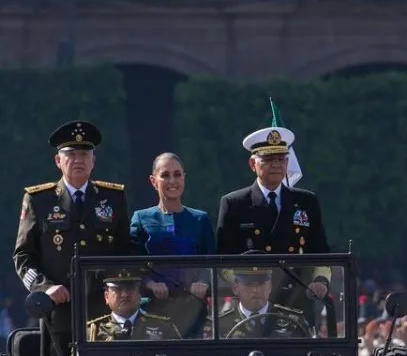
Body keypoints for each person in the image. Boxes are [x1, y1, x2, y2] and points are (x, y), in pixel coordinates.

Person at [13, 120, 131, 355]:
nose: (79, 160)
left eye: (85, 154)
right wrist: (44, 288)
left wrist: (123, 289)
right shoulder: (39, 200)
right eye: (71, 154)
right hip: (59, 312)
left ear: (93, 161)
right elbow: (23, 256)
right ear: (58, 161)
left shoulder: (113, 198)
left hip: (104, 311)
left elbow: (126, 251)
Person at [214, 127, 331, 314]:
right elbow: (223, 258)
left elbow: (321, 252)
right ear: (253, 164)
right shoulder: (234, 203)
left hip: (297, 299)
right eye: (268, 159)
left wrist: (320, 281)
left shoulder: (306, 202)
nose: (276, 164)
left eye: (281, 159)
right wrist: (242, 284)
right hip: (254, 302)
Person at [131, 152, 215, 335]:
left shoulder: (200, 219)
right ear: (154, 181)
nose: (172, 181)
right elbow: (133, 263)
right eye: (165, 175)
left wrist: (202, 281)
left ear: (184, 178)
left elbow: (212, 262)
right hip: (153, 310)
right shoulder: (141, 218)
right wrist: (150, 283)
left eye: (177, 174)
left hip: (192, 309)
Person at [85, 269, 180, 342]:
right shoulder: (93, 331)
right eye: (118, 289)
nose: (125, 294)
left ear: (139, 294)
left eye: (130, 288)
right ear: (106, 296)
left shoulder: (163, 327)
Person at [216, 267, 310, 339]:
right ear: (235, 288)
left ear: (270, 287)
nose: (255, 290)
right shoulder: (219, 324)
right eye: (248, 284)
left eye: (261, 284)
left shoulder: (293, 322)